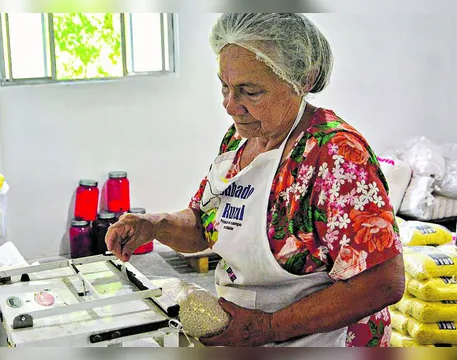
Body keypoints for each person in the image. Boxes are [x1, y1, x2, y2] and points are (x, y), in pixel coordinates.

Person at [106, 13, 405, 347]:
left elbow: (383, 281)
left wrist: (266, 327)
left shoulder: (335, 155)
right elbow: (206, 224)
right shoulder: (238, 141)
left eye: (249, 91)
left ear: (302, 80)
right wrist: (155, 225)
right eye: (225, 87)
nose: (231, 106)